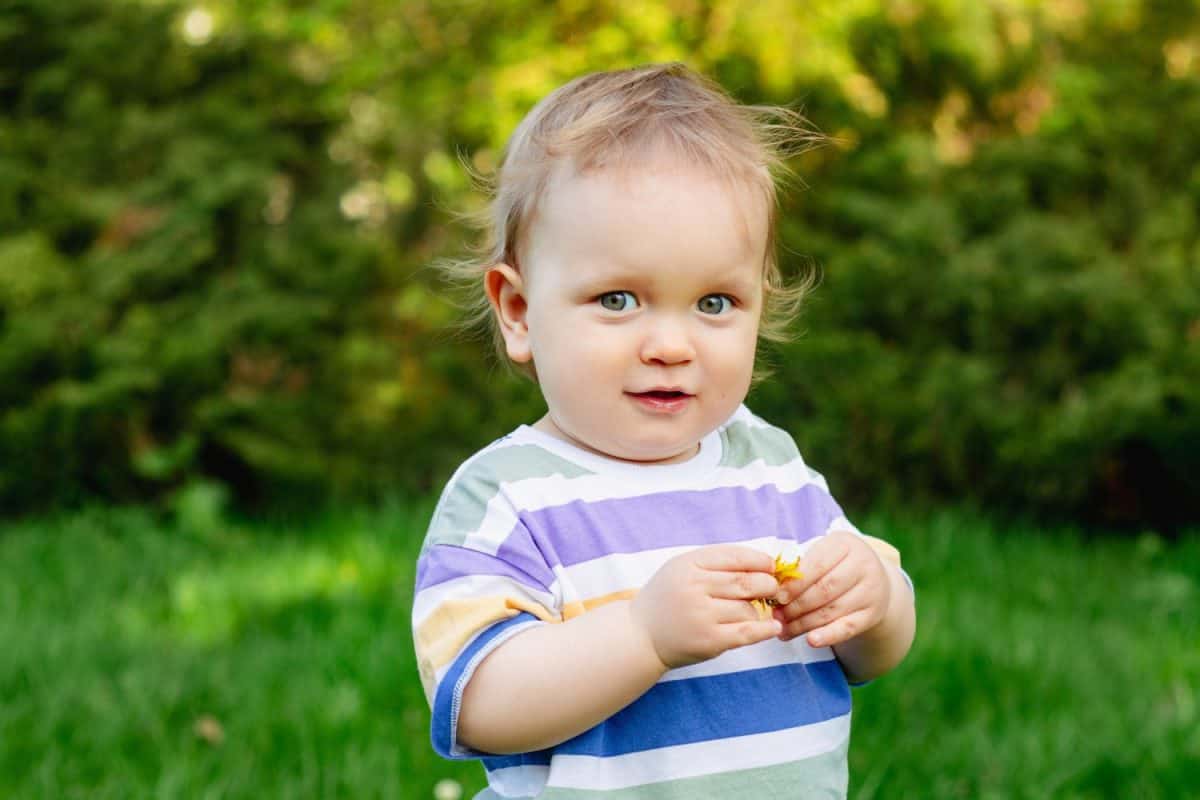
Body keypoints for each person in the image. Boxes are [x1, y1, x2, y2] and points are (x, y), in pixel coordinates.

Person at [412, 63, 916, 798]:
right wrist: (644, 635)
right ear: (519, 312)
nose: (671, 345)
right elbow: (481, 704)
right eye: (619, 299)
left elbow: (870, 653)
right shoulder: (507, 498)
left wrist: (874, 599)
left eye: (714, 303)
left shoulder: (771, 469)